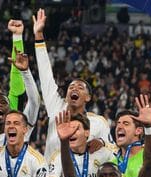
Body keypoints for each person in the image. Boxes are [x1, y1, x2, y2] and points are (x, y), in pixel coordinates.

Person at [33, 8, 111, 160]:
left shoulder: (99, 123)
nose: (74, 88)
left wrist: (102, 142)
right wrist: (39, 36)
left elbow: (114, 149)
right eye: (71, 87)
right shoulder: (56, 107)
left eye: (80, 87)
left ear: (88, 97)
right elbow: (45, 75)